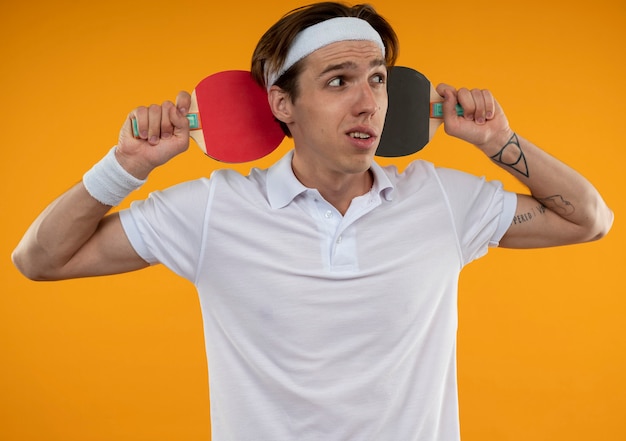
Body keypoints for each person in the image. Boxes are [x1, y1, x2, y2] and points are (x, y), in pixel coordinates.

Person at [12, 2, 613, 440]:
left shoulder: (440, 200)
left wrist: (501, 142)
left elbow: (588, 219)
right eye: (338, 81)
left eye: (376, 78)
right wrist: (125, 167)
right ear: (282, 104)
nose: (368, 101)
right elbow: (39, 259)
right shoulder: (214, 209)